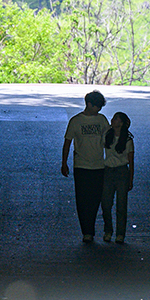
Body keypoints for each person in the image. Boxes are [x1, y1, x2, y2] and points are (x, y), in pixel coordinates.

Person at [61, 90, 108, 242]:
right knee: (82, 199)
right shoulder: (76, 121)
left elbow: (109, 140)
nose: (99, 109)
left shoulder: (102, 120)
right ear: (89, 104)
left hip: (99, 165)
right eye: (97, 106)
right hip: (81, 165)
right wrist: (64, 163)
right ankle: (87, 231)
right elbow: (67, 142)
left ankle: (90, 226)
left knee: (95, 199)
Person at [100, 111, 134, 244]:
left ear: (121, 123)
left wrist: (130, 179)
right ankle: (108, 230)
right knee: (106, 203)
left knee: (121, 205)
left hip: (121, 172)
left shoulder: (127, 140)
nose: (112, 121)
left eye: (115, 119)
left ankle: (120, 233)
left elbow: (131, 161)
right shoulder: (107, 135)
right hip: (108, 170)